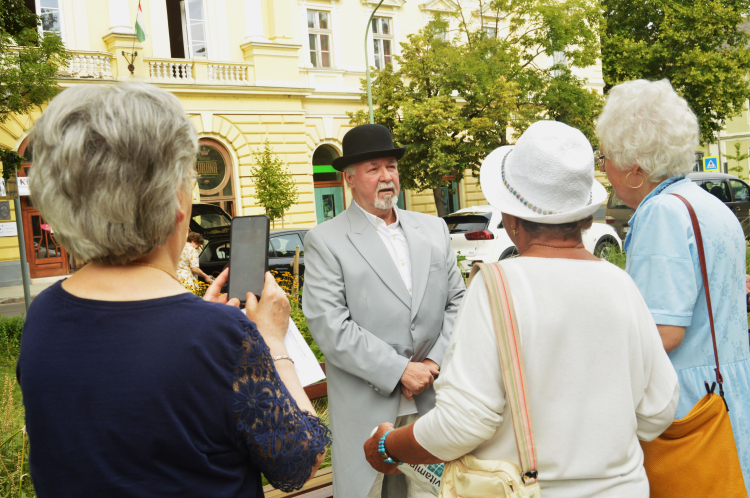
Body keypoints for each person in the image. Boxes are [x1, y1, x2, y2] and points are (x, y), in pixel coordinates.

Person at [16, 82, 330, 498]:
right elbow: (301, 463)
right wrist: (273, 342)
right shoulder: (218, 336)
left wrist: (197, 318)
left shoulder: (44, 313)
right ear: (177, 202)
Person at [363, 120, 680, 497]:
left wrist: (387, 445)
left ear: (512, 220)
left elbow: (462, 424)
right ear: (582, 217)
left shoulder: (498, 286)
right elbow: (659, 409)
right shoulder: (620, 284)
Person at [595, 79, 750, 490]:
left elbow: (662, 332)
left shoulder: (661, 212)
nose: (603, 168)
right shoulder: (707, 204)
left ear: (635, 168)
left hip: (687, 403)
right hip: (728, 390)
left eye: (605, 156)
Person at [302, 124, 466, 498]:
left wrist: (433, 363)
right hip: (369, 411)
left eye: (391, 166)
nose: (386, 176)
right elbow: (331, 326)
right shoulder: (325, 241)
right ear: (349, 178)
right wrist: (399, 371)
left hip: (434, 402)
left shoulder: (434, 229)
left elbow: (460, 300)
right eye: (373, 168)